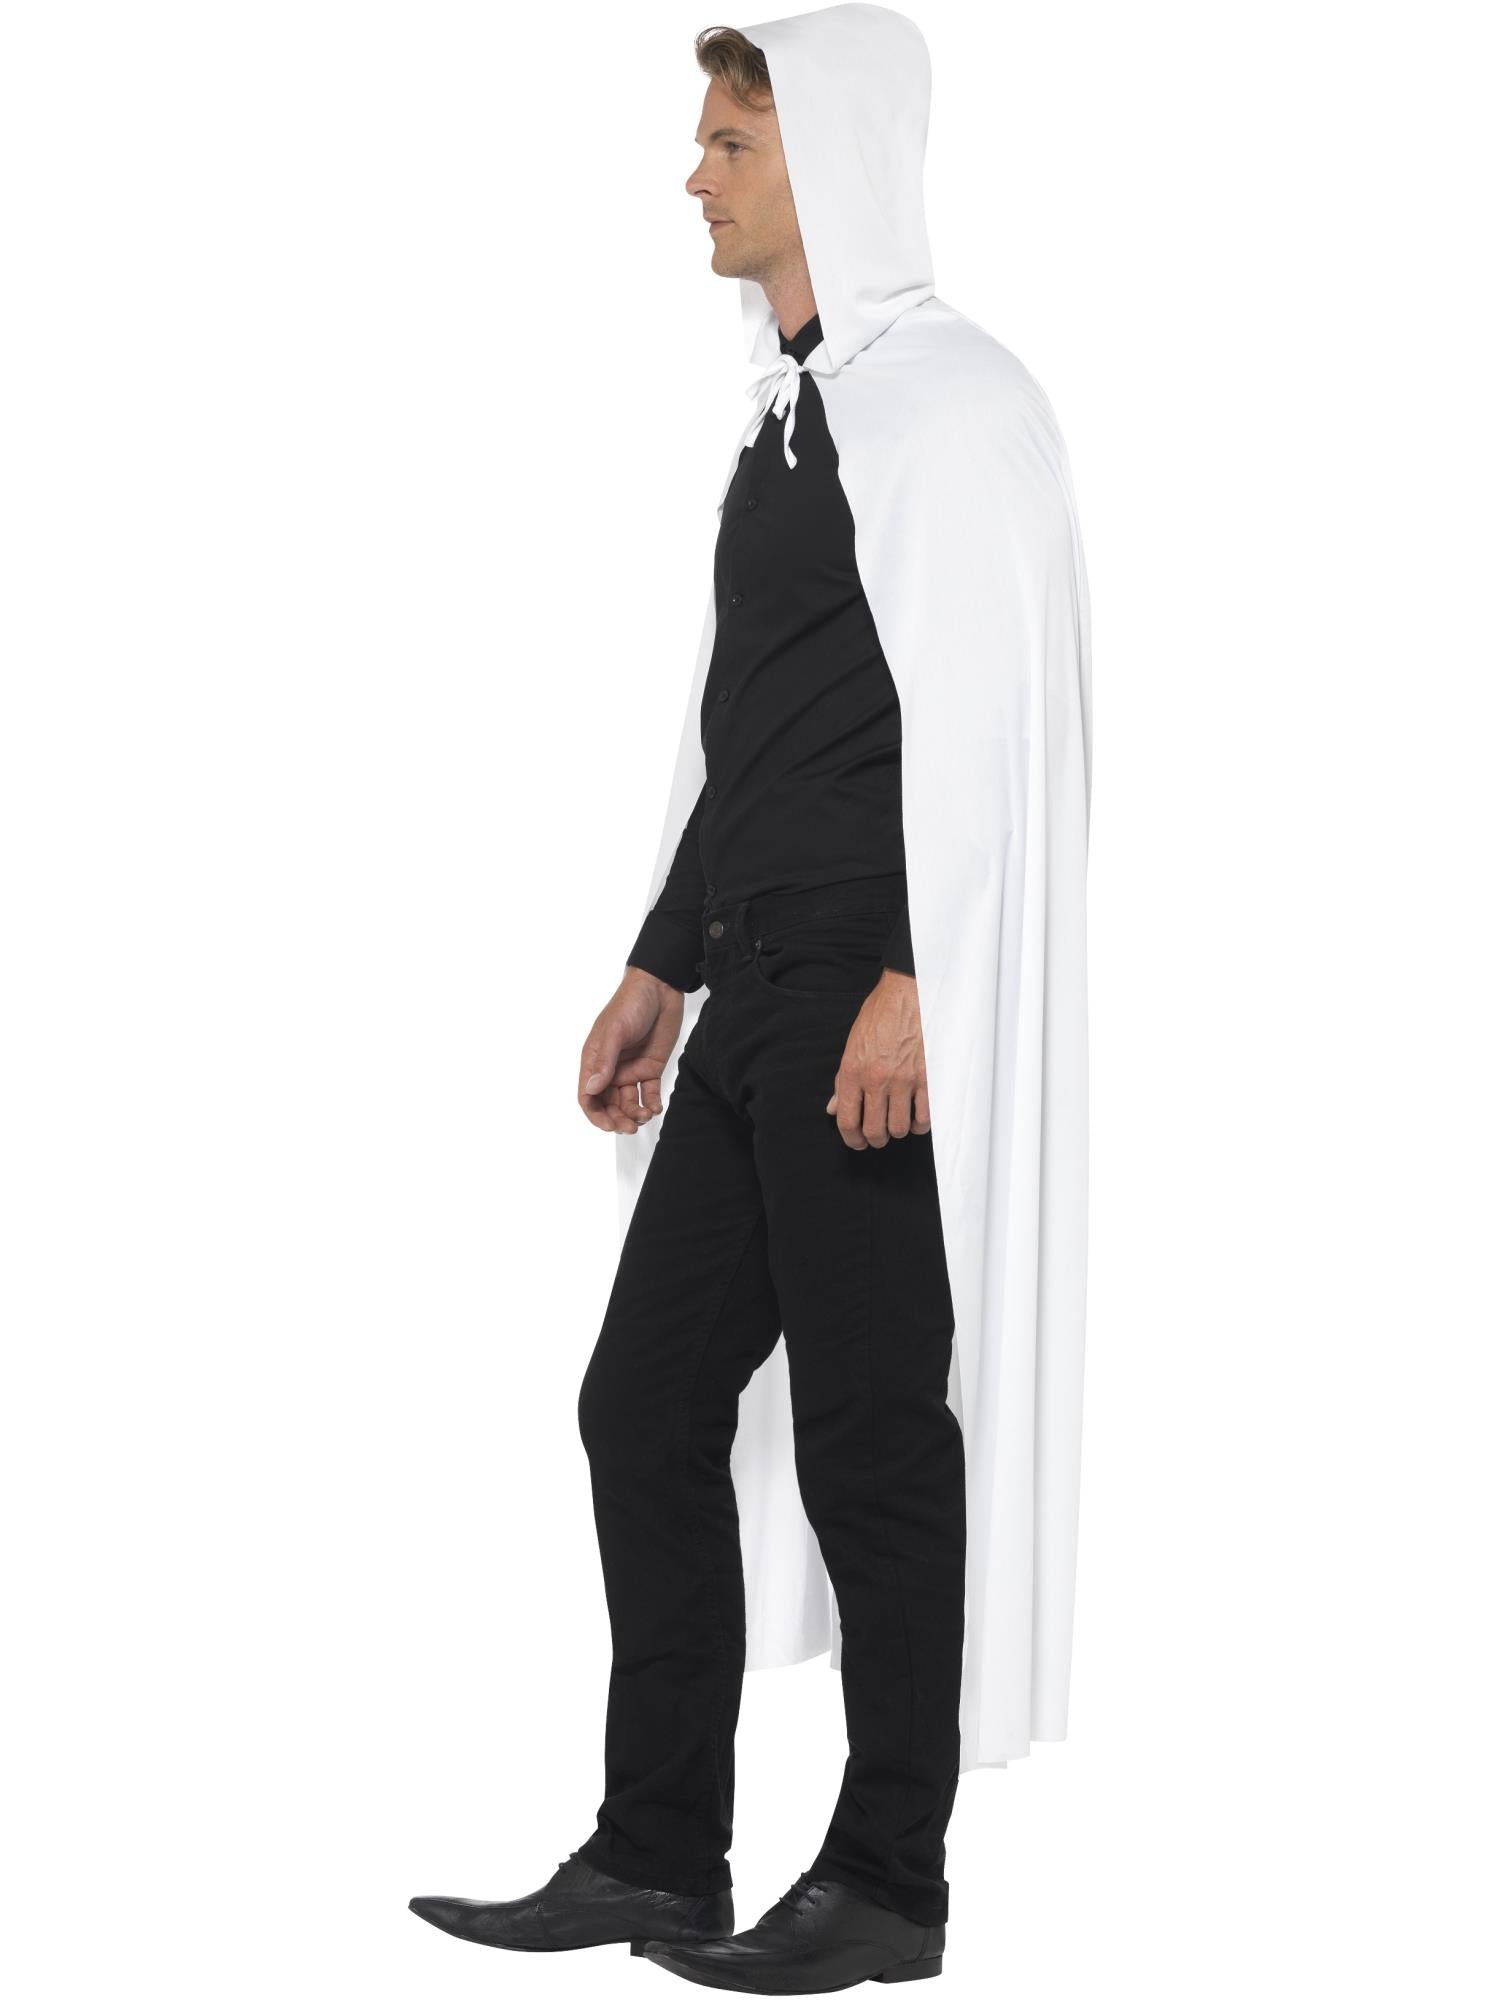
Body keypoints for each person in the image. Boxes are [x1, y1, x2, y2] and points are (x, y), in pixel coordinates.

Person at [411, 8, 1092, 1992]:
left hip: (866, 1001)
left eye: (730, 142)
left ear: (834, 155)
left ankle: (889, 1882)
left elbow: (1000, 733)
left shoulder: (958, 408)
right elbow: (756, 733)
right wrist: (660, 956)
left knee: (877, 1430)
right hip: (751, 996)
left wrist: (921, 981)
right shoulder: (793, 419)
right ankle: (658, 1854)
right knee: (640, 1400)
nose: (694, 176)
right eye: (704, 140)